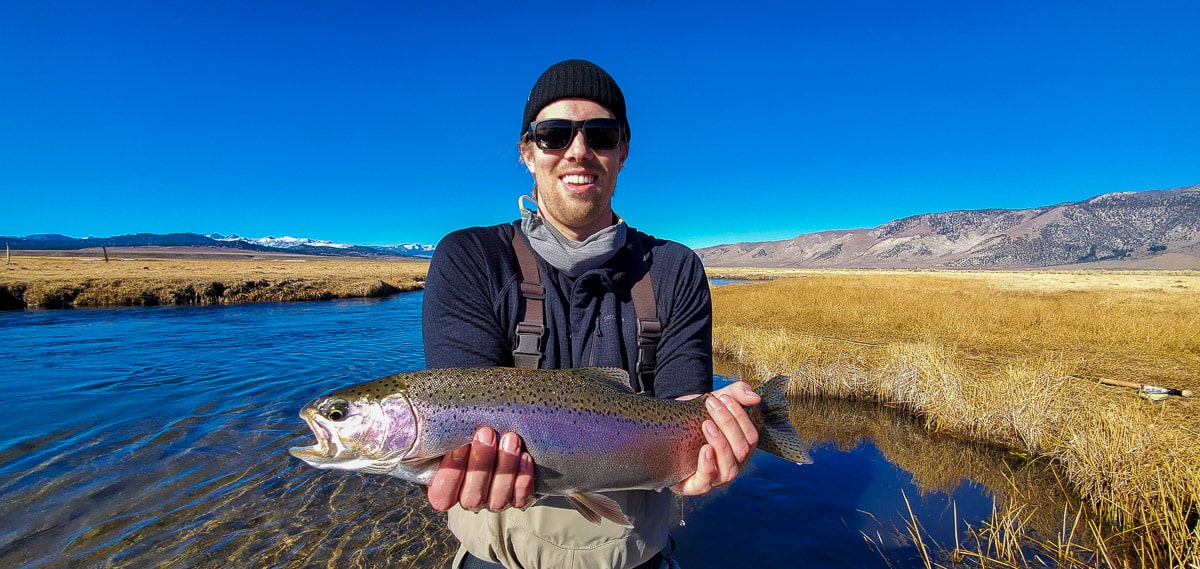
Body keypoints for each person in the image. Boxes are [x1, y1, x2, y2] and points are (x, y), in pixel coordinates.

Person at [422, 59, 761, 569]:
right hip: (497, 557)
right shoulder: (470, 258)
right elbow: (460, 396)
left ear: (622, 151)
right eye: (554, 134)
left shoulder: (675, 269)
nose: (578, 151)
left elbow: (685, 401)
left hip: (632, 555)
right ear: (527, 152)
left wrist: (707, 450)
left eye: (600, 134)